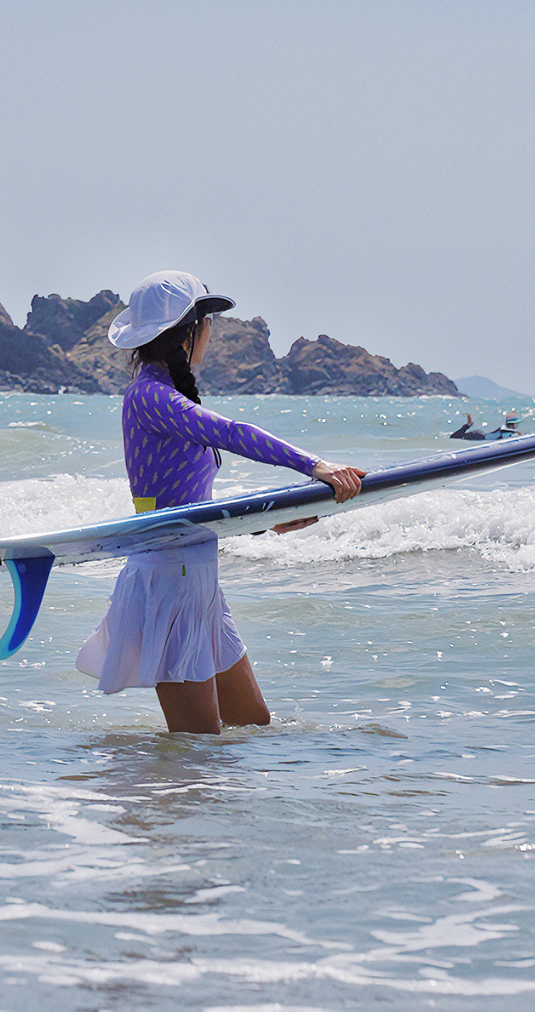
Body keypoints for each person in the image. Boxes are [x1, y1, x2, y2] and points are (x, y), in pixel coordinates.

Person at [76, 271, 365, 734]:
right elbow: (232, 434)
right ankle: (148, 805)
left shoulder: (162, 397)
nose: (212, 332)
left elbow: (188, 505)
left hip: (200, 585)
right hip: (170, 586)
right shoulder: (149, 397)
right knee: (195, 750)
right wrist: (317, 466)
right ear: (188, 332)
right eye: (207, 322)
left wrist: (273, 520)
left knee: (252, 724)